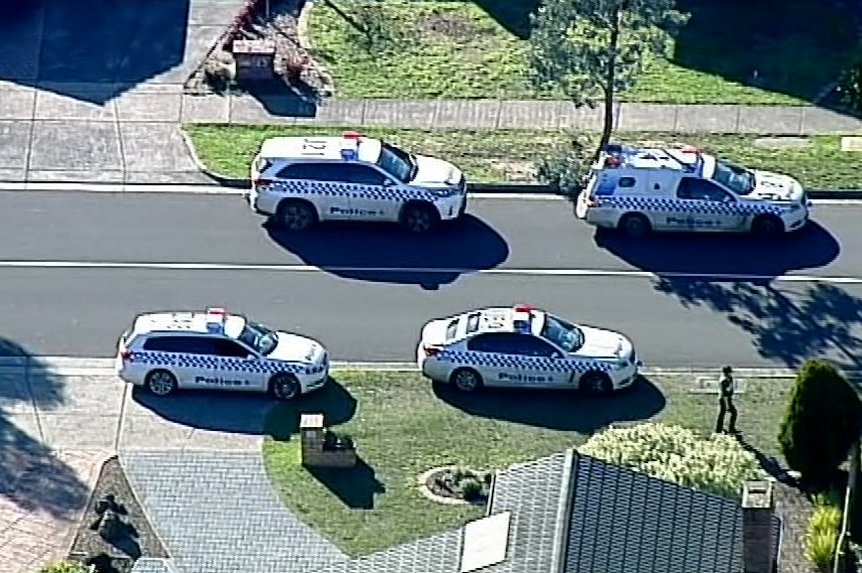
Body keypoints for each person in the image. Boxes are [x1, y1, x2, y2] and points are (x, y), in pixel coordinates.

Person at [715, 365, 738, 434]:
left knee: (726, 413)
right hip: (724, 399)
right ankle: (721, 428)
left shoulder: (728, 378)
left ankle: (723, 428)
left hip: (727, 399)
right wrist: (727, 402)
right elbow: (725, 392)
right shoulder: (724, 380)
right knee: (727, 413)